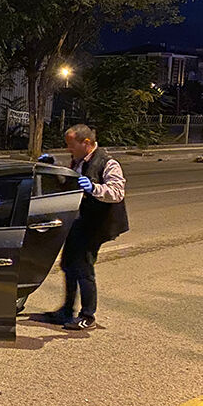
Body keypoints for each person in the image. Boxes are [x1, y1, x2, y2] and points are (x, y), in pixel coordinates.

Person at [46, 124, 128, 330]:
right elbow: (69, 185)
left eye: (71, 145)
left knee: (83, 267)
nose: (68, 149)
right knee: (68, 264)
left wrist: (95, 188)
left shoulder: (108, 163)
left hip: (97, 224)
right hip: (79, 221)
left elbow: (117, 192)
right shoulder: (79, 161)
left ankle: (87, 315)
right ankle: (67, 310)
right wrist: (53, 168)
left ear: (87, 143)